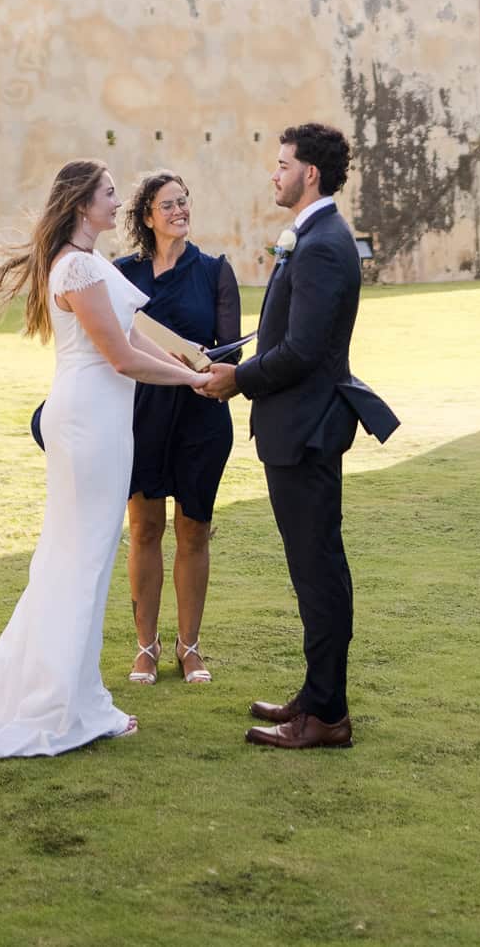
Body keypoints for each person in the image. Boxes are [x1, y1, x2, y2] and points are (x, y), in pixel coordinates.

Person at [0, 160, 207, 758]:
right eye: (109, 195)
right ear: (83, 204)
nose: (118, 203)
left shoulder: (91, 266)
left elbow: (137, 337)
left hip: (102, 420)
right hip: (89, 419)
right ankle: (65, 704)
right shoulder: (79, 266)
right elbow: (120, 357)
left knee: (81, 556)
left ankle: (75, 693)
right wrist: (189, 383)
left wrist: (191, 365)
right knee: (81, 559)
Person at [198, 122, 364, 750]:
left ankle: (326, 715)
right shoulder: (316, 235)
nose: (274, 173)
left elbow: (300, 350)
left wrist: (236, 379)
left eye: (283, 164)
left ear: (309, 174)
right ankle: (318, 696)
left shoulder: (322, 243)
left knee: (318, 571)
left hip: (306, 429)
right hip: (297, 425)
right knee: (312, 568)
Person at [113, 169, 241, 686]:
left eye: (184, 202)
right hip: (140, 414)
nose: (179, 211)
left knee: (193, 532)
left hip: (199, 416)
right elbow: (111, 342)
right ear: (147, 217)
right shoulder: (122, 273)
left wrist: (206, 360)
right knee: (144, 528)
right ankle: (146, 648)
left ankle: (190, 648)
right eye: (168, 205)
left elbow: (233, 351)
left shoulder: (215, 271)